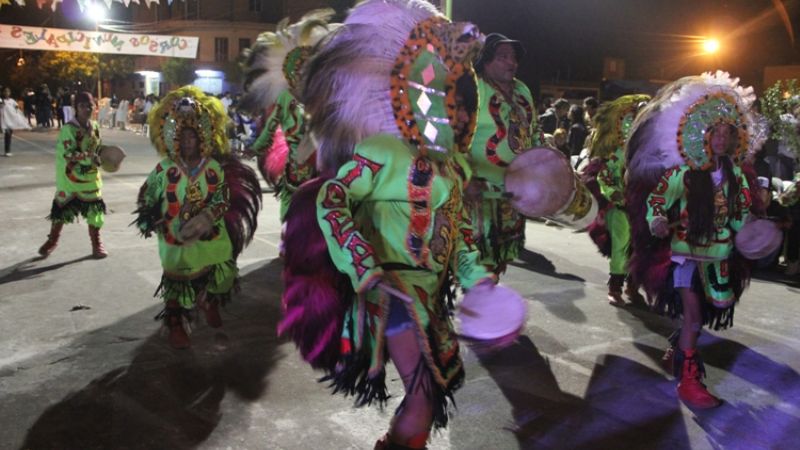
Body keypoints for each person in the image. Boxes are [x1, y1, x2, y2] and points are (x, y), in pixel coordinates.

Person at [279, 2, 507, 448]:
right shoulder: (383, 151)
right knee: (422, 398)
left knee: (431, 397)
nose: (457, 111)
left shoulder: (453, 169)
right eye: (449, 97)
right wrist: (365, 269)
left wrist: (479, 282)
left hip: (429, 301)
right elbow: (332, 199)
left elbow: (459, 240)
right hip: (391, 295)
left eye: (462, 100)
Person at [626, 72, 756, 409]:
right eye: (716, 133)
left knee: (700, 317)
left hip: (719, 259)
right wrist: (657, 219)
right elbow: (657, 200)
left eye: (727, 134)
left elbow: (740, 217)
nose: (721, 139)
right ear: (704, 135)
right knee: (695, 319)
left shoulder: (736, 176)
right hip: (686, 257)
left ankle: (679, 348)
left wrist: (755, 232)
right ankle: (688, 381)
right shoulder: (683, 174)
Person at [134, 86, 261, 349]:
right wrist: (149, 218)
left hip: (209, 233)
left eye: (192, 137)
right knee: (177, 280)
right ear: (174, 139)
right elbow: (147, 196)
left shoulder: (212, 168)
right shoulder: (164, 169)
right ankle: (176, 323)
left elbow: (222, 198)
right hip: (175, 236)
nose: (188, 142)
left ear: (202, 137)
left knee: (223, 270)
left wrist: (207, 217)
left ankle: (208, 300)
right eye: (183, 137)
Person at [465, 32, 540, 274]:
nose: (512, 62)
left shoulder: (522, 90)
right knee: (479, 262)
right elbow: (454, 136)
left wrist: (545, 164)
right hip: (479, 193)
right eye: (503, 57)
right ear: (485, 60)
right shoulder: (473, 87)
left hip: (514, 192)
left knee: (500, 259)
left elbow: (534, 131)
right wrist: (465, 177)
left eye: (514, 57)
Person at [582, 94, 650, 305]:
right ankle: (615, 287)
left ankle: (633, 286)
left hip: (643, 209)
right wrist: (614, 193)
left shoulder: (650, 153)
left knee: (641, 248)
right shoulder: (617, 153)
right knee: (621, 244)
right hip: (620, 207)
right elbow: (604, 176)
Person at [38, 91, 108, 258]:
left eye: (90, 105)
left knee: (95, 210)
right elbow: (67, 154)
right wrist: (88, 157)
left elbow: (98, 147)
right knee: (61, 210)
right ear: (76, 107)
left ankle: (96, 243)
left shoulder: (95, 126)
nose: (87, 109)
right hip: (70, 178)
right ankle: (52, 240)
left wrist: (104, 156)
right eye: (83, 106)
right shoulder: (68, 129)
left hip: (90, 177)